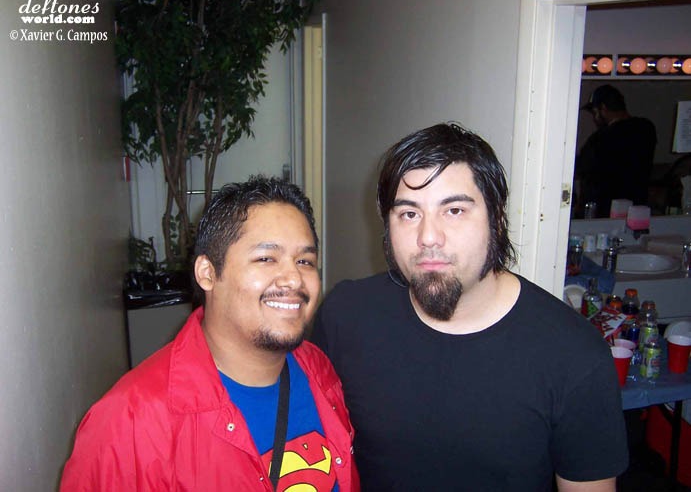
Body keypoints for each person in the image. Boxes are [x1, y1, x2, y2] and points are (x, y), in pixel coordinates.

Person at [311, 123, 628, 491]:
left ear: (497, 220)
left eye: (455, 210)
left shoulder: (575, 357)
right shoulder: (345, 316)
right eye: (409, 214)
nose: (428, 237)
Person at [61, 176, 359, 491]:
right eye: (266, 258)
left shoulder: (318, 370)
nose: (294, 279)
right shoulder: (130, 422)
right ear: (207, 273)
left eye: (305, 261)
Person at [575, 84, 656, 218]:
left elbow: (583, 167)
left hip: (603, 211)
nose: (595, 118)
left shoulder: (601, 139)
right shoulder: (646, 129)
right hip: (636, 210)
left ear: (603, 108)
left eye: (595, 112)